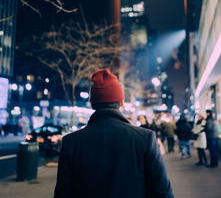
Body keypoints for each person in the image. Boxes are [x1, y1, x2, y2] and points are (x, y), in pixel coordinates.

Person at [54, 69, 174, 198]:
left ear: (92, 103)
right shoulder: (145, 139)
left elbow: (63, 193)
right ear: (121, 102)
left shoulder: (71, 143)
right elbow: (162, 191)